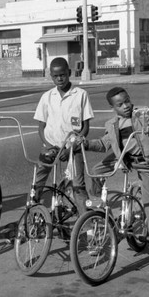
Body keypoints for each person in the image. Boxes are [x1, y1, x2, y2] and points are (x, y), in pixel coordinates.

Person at [84, 87, 149, 262]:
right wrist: (85, 143)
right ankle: (98, 209)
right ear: (113, 108)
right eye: (120, 104)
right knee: (95, 172)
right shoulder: (112, 124)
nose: (125, 106)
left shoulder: (144, 114)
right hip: (123, 159)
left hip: (145, 162)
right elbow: (103, 144)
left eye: (127, 101)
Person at [33, 57, 94, 216]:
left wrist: (72, 148)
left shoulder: (80, 94)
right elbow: (41, 127)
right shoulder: (47, 96)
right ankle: (32, 216)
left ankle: (85, 225)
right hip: (51, 146)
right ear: (51, 76)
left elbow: (85, 127)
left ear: (69, 73)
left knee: (77, 186)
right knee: (37, 183)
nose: (59, 79)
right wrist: (48, 144)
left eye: (62, 75)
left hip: (72, 148)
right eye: (55, 76)